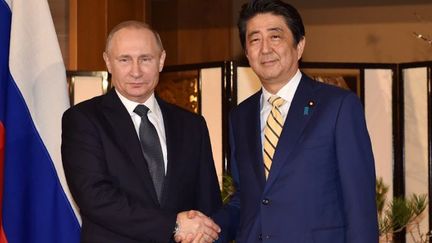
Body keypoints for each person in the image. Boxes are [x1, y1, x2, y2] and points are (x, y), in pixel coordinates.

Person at [213, 1, 379, 242]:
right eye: (255, 39)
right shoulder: (240, 116)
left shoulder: (338, 106)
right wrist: (209, 228)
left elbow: (359, 203)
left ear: (299, 46)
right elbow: (247, 198)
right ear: (247, 53)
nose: (265, 49)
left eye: (275, 37)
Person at [61, 21, 222, 243]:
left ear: (161, 60)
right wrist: (172, 225)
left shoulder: (192, 125)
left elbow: (208, 201)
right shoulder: (83, 120)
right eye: (124, 60)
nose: (136, 71)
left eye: (145, 59)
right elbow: (95, 197)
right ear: (108, 62)